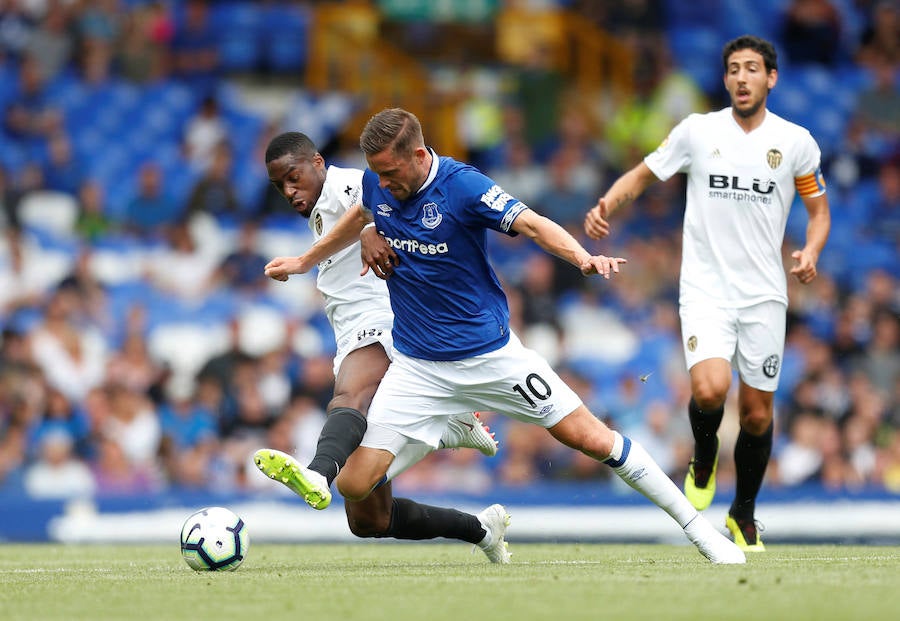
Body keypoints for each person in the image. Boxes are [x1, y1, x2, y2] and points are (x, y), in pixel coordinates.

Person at [328, 108, 745, 565]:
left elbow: (531, 223)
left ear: (419, 155)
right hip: (418, 368)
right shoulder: (377, 183)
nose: (383, 183)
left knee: (592, 439)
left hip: (491, 358)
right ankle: (449, 429)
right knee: (352, 484)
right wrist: (363, 233)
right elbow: (364, 211)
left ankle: (701, 532)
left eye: (390, 172)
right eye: (377, 174)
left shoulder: (461, 186)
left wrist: (582, 256)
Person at [584, 35, 831, 551]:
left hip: (764, 294)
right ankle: (703, 455)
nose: (743, 77)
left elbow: (819, 212)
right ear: (725, 80)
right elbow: (645, 174)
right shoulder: (698, 132)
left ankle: (743, 513)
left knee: (760, 413)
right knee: (710, 390)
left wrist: (810, 251)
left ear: (771, 79)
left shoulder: (797, 142)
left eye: (753, 69)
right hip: (705, 289)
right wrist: (608, 202)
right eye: (734, 69)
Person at [253, 132, 507, 562]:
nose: (289, 191)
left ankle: (317, 473)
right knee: (369, 518)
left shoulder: (345, 184)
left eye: (293, 178)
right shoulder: (319, 213)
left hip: (383, 321)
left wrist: (365, 229)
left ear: (317, 162)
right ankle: (482, 528)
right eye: (280, 186)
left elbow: (378, 201)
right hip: (354, 331)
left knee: (350, 393)